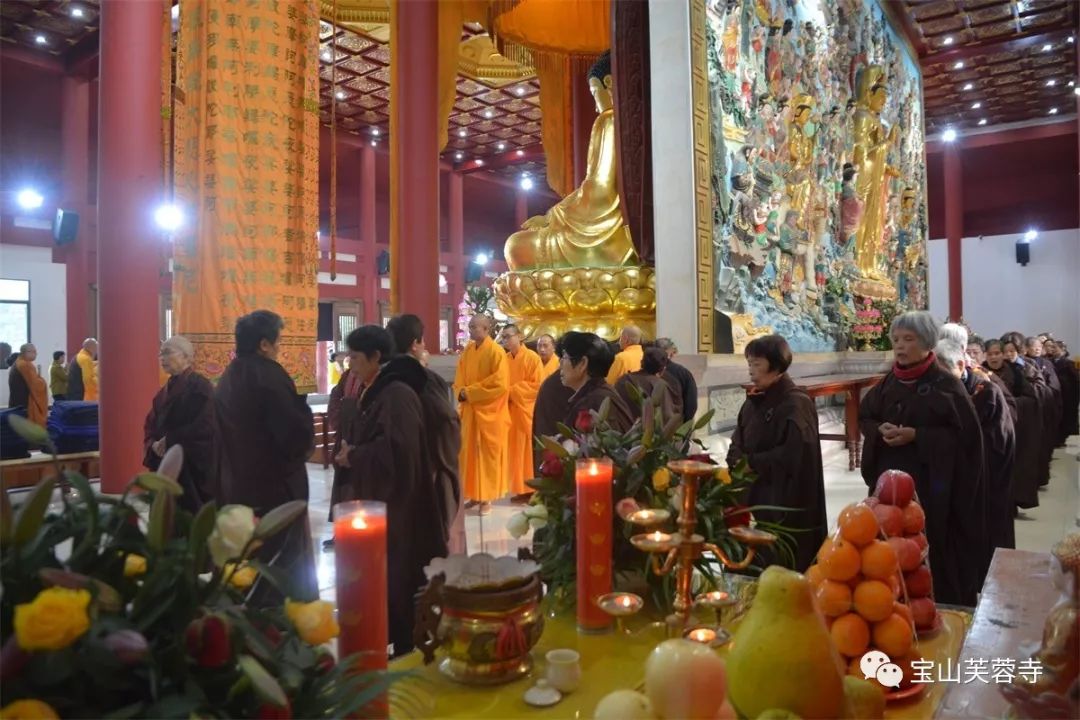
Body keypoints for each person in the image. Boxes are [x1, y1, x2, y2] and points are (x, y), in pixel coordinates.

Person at [859, 311, 988, 606]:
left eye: (908, 339)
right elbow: (866, 415)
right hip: (889, 481)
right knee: (889, 539)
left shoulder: (946, 385)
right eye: (896, 340)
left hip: (932, 486)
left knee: (926, 544)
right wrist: (879, 429)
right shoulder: (888, 383)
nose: (900, 346)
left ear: (928, 342)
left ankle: (932, 604)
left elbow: (965, 439)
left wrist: (918, 435)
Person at [334, 326, 448, 658]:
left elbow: (399, 451)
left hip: (402, 503)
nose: (350, 364)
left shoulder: (396, 393)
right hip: (389, 499)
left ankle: (407, 645)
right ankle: (399, 640)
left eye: (355, 357)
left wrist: (354, 455)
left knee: (402, 576)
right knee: (390, 577)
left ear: (375, 357)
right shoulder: (381, 389)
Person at [215, 310, 316, 604]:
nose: (279, 347)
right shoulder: (269, 375)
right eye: (278, 341)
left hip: (237, 483)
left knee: (248, 555)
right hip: (274, 488)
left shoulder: (229, 376)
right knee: (279, 559)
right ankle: (278, 624)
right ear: (264, 344)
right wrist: (303, 412)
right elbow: (293, 435)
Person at [726, 334, 827, 572]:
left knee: (781, 567)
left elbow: (794, 455)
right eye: (749, 364)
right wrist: (736, 458)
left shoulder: (796, 403)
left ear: (777, 365)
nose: (751, 371)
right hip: (752, 496)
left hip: (783, 501)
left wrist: (752, 463)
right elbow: (737, 438)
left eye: (757, 364)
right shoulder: (753, 401)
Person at [387, 313, 465, 554]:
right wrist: (447, 458)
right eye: (422, 341)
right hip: (429, 470)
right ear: (415, 343)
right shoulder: (424, 378)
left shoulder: (382, 377)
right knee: (436, 540)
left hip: (393, 474)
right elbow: (446, 423)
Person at [937, 338, 1016, 553]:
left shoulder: (986, 392)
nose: (937, 379)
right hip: (953, 482)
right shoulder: (938, 391)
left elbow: (997, 440)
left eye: (941, 372)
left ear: (960, 365)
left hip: (985, 479)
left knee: (985, 541)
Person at [143, 336, 216, 513]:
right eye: (160, 354)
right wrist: (152, 443)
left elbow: (205, 425)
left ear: (186, 357)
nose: (162, 358)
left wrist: (171, 440)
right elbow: (150, 423)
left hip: (190, 465)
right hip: (165, 460)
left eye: (167, 353)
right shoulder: (164, 391)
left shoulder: (200, 387)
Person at [453, 315, 510, 516]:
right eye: (470, 327)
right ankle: (474, 495)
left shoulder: (496, 352)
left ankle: (486, 498)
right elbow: (459, 378)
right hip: (470, 413)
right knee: (469, 455)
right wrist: (460, 391)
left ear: (486, 329)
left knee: (486, 457)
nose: (471, 330)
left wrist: (470, 392)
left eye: (475, 327)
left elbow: (500, 384)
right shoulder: (468, 351)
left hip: (489, 414)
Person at [983, 337, 1041, 511]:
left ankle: (1010, 503)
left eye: (997, 353)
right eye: (990, 354)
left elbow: (1031, 398)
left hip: (1012, 427)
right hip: (989, 430)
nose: (994, 358)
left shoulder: (1016, 372)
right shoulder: (980, 372)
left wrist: (1009, 404)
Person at [1004, 333, 1054, 487]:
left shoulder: (1029, 365)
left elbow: (1041, 390)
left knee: (1024, 460)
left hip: (1026, 419)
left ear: (1021, 351)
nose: (1008, 355)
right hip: (1006, 420)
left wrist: (1017, 402)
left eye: (1013, 351)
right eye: (1005, 351)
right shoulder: (996, 366)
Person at [499, 324, 542, 503]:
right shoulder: (503, 359)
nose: (506, 341)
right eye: (503, 337)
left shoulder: (532, 358)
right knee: (514, 453)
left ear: (520, 336)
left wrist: (512, 391)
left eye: (509, 336)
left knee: (526, 454)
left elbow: (537, 385)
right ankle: (519, 489)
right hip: (509, 411)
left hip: (526, 410)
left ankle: (532, 490)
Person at [559, 331, 633, 433]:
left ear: (582, 364)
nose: (560, 363)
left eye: (564, 357)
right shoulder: (603, 392)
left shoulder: (591, 403)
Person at [614, 345, 678, 422]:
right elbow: (667, 417)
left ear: (641, 362)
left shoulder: (623, 380)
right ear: (662, 370)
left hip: (621, 430)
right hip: (648, 431)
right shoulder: (661, 385)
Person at [655, 337, 698, 422]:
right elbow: (691, 404)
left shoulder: (644, 371)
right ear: (670, 352)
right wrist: (684, 426)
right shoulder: (682, 373)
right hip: (675, 425)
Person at [1046, 339, 1079, 441]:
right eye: (1052, 347)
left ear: (1063, 350)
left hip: (1068, 396)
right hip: (1055, 395)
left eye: (1055, 347)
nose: (1052, 350)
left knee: (1069, 417)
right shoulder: (1049, 363)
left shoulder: (1070, 364)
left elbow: (1077, 381)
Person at [8, 344, 48, 427]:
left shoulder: (18, 362)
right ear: (28, 352)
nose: (36, 354)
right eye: (34, 352)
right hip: (25, 405)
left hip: (17, 402)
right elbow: (36, 385)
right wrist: (42, 381)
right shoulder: (25, 364)